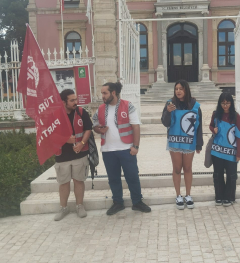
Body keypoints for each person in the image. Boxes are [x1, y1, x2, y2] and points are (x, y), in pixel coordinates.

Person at [92, 82, 151, 215]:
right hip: (108, 150)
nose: (102, 96)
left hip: (126, 149)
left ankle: (137, 202)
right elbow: (94, 125)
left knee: (132, 176)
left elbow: (136, 126)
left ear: (113, 93)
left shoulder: (127, 105)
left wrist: (135, 146)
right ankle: (118, 202)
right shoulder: (100, 108)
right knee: (113, 178)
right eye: (102, 93)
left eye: (105, 93)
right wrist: (99, 129)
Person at [161, 80, 203, 210]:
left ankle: (188, 195)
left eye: (181, 88)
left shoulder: (195, 105)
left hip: (189, 142)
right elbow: (165, 123)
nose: (178, 91)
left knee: (188, 168)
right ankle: (178, 195)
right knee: (177, 168)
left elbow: (199, 126)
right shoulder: (170, 103)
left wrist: (199, 144)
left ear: (186, 90)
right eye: (176, 88)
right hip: (175, 141)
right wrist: (168, 111)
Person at [53, 89, 93, 221]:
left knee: (79, 181)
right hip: (62, 156)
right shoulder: (54, 115)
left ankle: (79, 206)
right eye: (72, 100)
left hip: (79, 154)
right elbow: (49, 134)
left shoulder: (81, 112)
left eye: (76, 99)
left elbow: (88, 129)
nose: (76, 102)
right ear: (64, 102)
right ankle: (63, 208)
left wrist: (82, 143)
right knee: (63, 183)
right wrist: (64, 139)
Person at [209, 92, 240, 207]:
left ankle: (229, 197)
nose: (225, 106)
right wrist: (213, 129)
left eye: (227, 103)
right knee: (217, 174)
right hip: (217, 151)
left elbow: (239, 135)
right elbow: (211, 125)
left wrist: (239, 152)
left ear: (231, 103)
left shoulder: (236, 116)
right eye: (223, 103)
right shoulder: (216, 114)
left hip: (231, 152)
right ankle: (219, 196)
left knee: (231, 175)